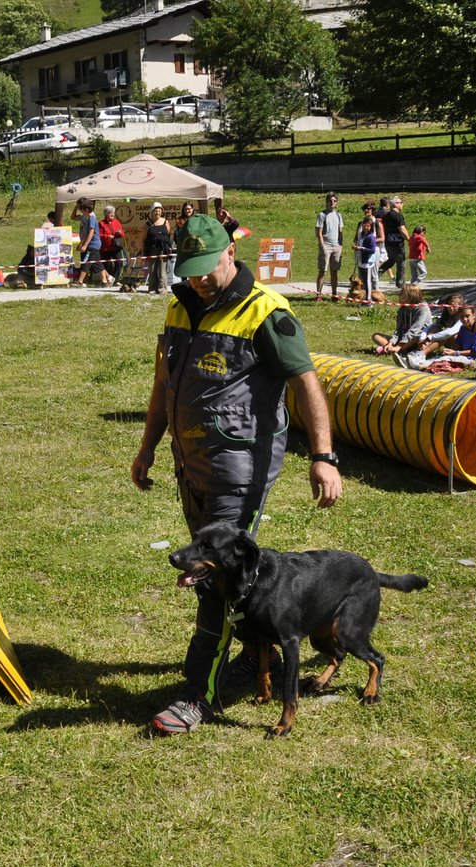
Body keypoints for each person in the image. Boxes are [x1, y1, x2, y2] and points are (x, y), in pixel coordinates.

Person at [131, 213, 342, 735]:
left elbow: (307, 383)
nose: (199, 279)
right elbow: (164, 385)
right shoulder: (180, 305)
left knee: (213, 585)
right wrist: (147, 448)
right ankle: (256, 652)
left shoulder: (266, 312)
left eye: (208, 268)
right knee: (222, 577)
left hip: (240, 471)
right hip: (191, 467)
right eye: (191, 270)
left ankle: (198, 697)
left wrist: (323, 455)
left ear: (230, 252)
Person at [405, 303, 476, 371]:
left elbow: (475, 352)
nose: (464, 319)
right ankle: (417, 363)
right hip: (466, 356)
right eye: (461, 317)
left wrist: (455, 353)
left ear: (474, 315)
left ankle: (419, 366)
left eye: (467, 316)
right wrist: (452, 352)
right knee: (443, 358)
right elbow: (458, 347)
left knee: (447, 359)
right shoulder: (463, 328)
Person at [372, 284, 433, 359]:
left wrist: (399, 346)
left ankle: (399, 350)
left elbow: (414, 331)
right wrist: (391, 343)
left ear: (411, 296)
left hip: (418, 339)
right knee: (376, 336)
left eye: (402, 293)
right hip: (403, 339)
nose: (399, 295)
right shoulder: (402, 309)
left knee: (416, 337)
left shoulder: (423, 309)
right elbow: (398, 330)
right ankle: (395, 350)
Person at [314, 192, 344, 300]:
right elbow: (318, 232)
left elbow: (340, 231)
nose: (332, 203)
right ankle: (318, 294)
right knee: (323, 271)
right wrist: (322, 245)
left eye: (334, 201)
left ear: (337, 203)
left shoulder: (338, 215)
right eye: (330, 201)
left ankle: (334, 294)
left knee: (334, 271)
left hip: (336, 246)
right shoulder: (322, 215)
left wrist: (340, 245)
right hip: (326, 245)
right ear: (327, 202)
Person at [143, 203, 174, 294]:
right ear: (152, 212)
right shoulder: (148, 224)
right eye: (156, 211)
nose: (158, 212)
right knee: (152, 269)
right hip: (152, 249)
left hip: (163, 249)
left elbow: (169, 234)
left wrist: (169, 246)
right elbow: (143, 238)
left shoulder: (166, 221)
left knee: (162, 270)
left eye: (159, 211)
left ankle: (162, 288)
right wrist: (143, 251)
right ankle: (152, 288)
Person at [353, 203, 379, 303]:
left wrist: (365, 246)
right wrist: (357, 246)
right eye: (365, 209)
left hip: (372, 253)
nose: (366, 211)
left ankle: (372, 296)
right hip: (361, 254)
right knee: (362, 278)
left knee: (373, 276)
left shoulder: (376, 223)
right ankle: (364, 297)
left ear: (372, 210)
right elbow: (357, 237)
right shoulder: (360, 223)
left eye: (369, 209)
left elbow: (381, 238)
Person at [381, 195, 409, 287]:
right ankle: (400, 283)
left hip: (388, 243)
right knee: (401, 263)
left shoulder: (387, 215)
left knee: (391, 261)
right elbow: (402, 229)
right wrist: (409, 240)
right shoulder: (398, 216)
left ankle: (376, 274)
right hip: (397, 244)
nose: (402, 205)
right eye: (401, 203)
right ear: (396, 204)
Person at [74, 199, 103, 285]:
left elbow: (91, 233)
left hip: (93, 244)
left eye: (82, 210)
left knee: (85, 262)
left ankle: (80, 281)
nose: (81, 212)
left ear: (86, 210)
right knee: (97, 264)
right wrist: (81, 243)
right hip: (92, 244)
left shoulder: (91, 218)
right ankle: (106, 280)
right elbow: (86, 234)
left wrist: (85, 245)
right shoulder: (88, 218)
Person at [98, 205, 127, 288]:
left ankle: (116, 280)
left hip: (116, 246)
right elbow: (99, 235)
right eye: (111, 214)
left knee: (119, 262)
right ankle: (108, 279)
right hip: (106, 248)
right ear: (106, 214)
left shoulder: (116, 222)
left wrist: (119, 233)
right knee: (107, 264)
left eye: (113, 214)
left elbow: (122, 233)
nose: (113, 215)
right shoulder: (101, 223)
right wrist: (107, 236)